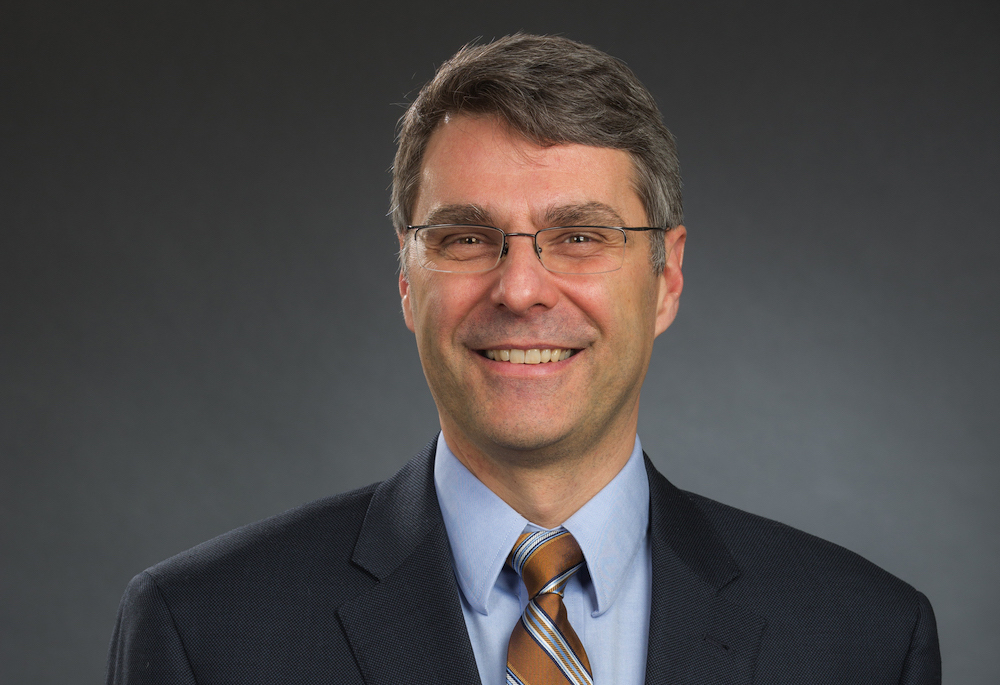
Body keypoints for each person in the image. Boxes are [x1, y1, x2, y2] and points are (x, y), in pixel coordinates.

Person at [106, 34, 941, 684]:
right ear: (406, 276)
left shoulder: (861, 638)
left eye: (579, 236)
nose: (519, 288)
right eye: (466, 237)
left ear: (667, 277)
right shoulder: (207, 632)